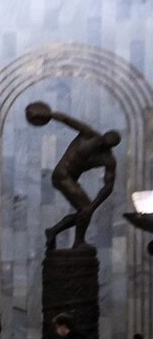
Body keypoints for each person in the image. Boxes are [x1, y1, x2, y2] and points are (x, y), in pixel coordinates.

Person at [25, 101, 119, 251]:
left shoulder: (108, 159)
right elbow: (67, 120)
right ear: (102, 136)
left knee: (84, 212)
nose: (101, 144)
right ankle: (78, 242)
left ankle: (53, 231)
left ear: (111, 147)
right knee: (85, 209)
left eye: (106, 145)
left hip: (70, 179)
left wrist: (95, 205)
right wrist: (48, 115)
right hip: (61, 175)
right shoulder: (89, 135)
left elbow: (108, 186)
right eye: (102, 140)